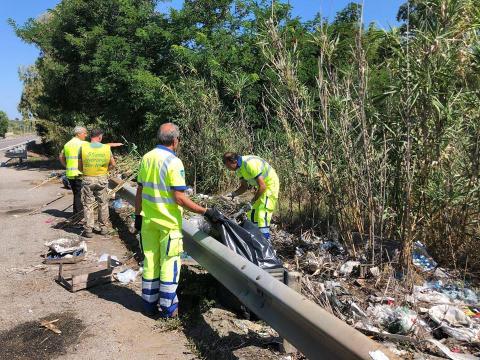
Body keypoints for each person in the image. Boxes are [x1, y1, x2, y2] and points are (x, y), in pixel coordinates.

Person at [134, 122, 220, 318]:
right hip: (168, 224)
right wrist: (205, 211)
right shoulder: (174, 162)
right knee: (170, 263)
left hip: (148, 222)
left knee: (150, 261)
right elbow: (179, 198)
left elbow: (140, 191)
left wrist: (137, 215)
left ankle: (148, 304)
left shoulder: (147, 157)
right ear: (175, 140)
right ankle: (167, 308)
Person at [223, 153, 279, 240]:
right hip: (261, 187)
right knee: (252, 213)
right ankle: (255, 239)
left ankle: (265, 241)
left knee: (262, 212)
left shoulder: (249, 164)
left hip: (271, 185)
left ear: (234, 161)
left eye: (227, 165)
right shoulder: (239, 169)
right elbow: (244, 187)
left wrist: (252, 202)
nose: (227, 168)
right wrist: (233, 194)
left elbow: (263, 186)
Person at [78, 129, 116, 238]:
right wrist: (105, 170)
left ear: (91, 137)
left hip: (88, 178)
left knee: (88, 204)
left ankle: (89, 229)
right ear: (100, 137)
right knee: (103, 203)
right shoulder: (106, 148)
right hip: (102, 178)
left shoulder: (83, 148)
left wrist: (85, 172)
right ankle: (104, 228)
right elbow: (113, 164)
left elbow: (79, 166)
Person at [59, 126, 88, 216]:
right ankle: (78, 216)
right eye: (84, 133)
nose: (86, 135)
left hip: (70, 173)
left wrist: (66, 166)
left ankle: (76, 214)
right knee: (80, 195)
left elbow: (61, 157)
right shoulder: (84, 144)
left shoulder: (67, 144)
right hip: (80, 173)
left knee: (76, 194)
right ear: (78, 134)